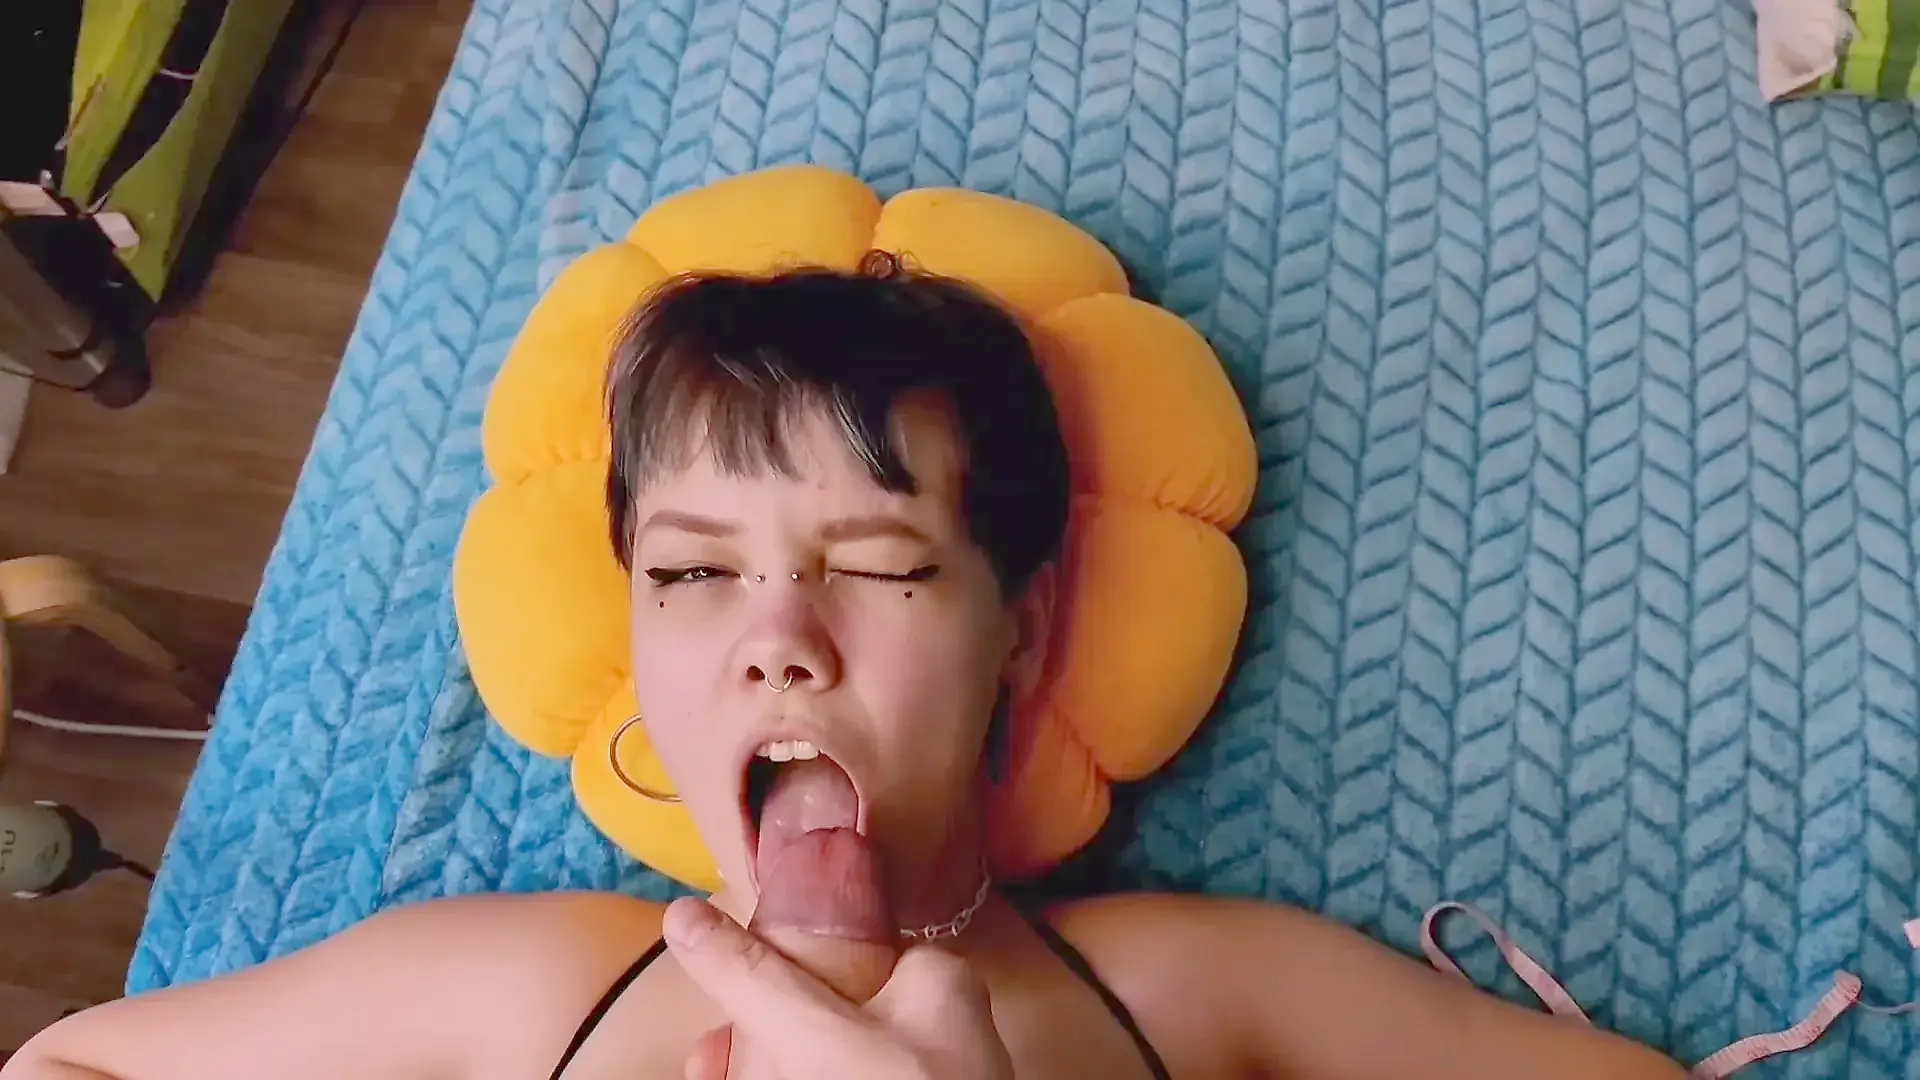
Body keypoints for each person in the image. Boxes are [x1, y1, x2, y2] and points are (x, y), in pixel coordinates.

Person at [4, 261, 1687, 1080]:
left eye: (881, 567)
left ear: (1023, 630)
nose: (778, 641)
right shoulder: (516, 987)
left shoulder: (1190, 989)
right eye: (691, 571)